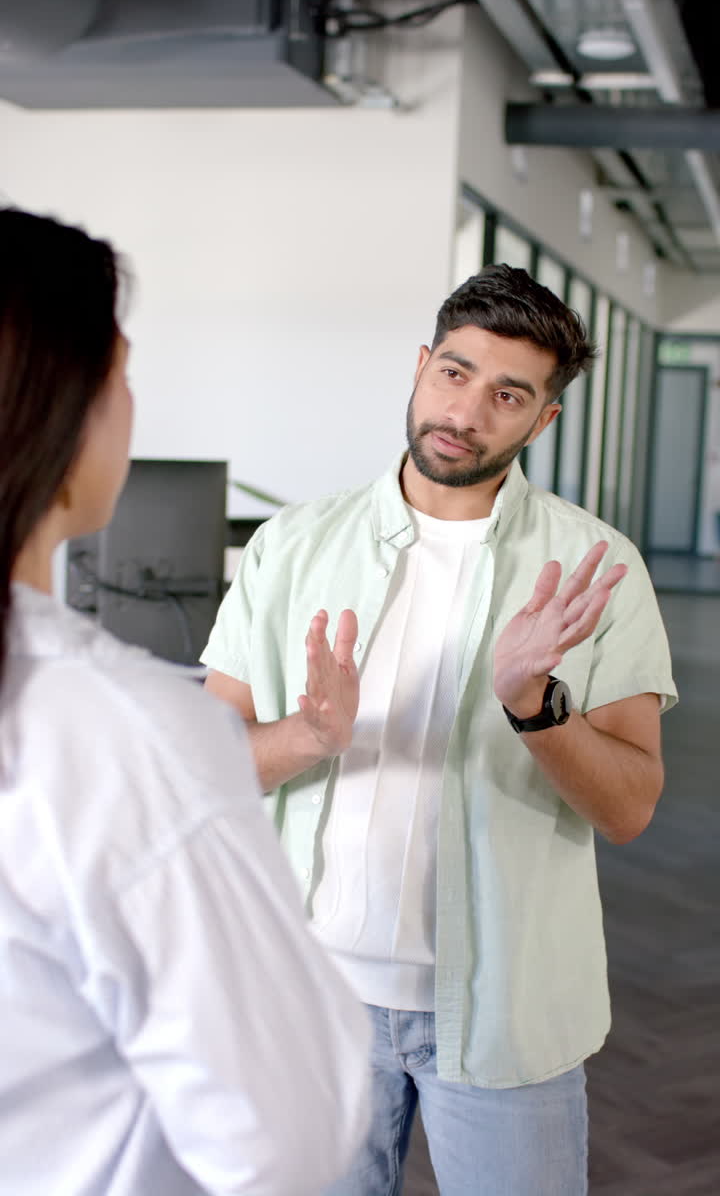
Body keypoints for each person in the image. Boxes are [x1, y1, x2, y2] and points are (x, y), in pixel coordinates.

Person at [202, 264, 676, 1196]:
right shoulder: (293, 546)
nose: (466, 410)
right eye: (454, 374)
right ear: (421, 366)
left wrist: (534, 704)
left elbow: (629, 809)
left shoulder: (595, 567)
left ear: (543, 420)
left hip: (507, 1016)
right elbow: (203, 767)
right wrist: (307, 734)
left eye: (508, 394)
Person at [0, 207, 371, 1196]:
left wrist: (306, 733)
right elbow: (290, 1134)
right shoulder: (119, 729)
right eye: (120, 375)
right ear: (63, 407)